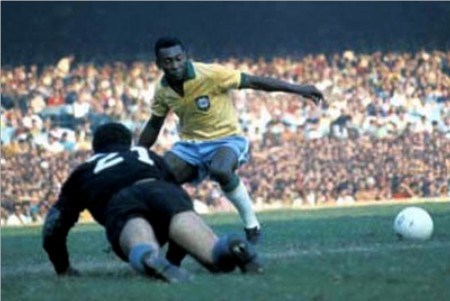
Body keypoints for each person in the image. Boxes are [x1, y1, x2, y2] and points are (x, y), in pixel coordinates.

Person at [139, 37, 324, 244]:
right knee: (160, 179)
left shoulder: (210, 74)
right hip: (190, 146)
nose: (174, 65)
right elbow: (155, 124)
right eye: (168, 61)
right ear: (158, 64)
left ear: (185, 57)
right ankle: (164, 233)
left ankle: (252, 225)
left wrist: (298, 89)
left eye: (178, 58)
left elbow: (254, 82)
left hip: (226, 139)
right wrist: (136, 153)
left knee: (220, 170)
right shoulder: (162, 89)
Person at [42, 122, 263, 283]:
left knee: (142, 243)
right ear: (128, 142)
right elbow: (175, 199)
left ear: (95, 148)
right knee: (213, 255)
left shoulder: (85, 169)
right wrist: (174, 260)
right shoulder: (143, 154)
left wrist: (63, 268)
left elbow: (53, 226)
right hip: (162, 190)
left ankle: (149, 257)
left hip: (120, 200)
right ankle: (227, 247)